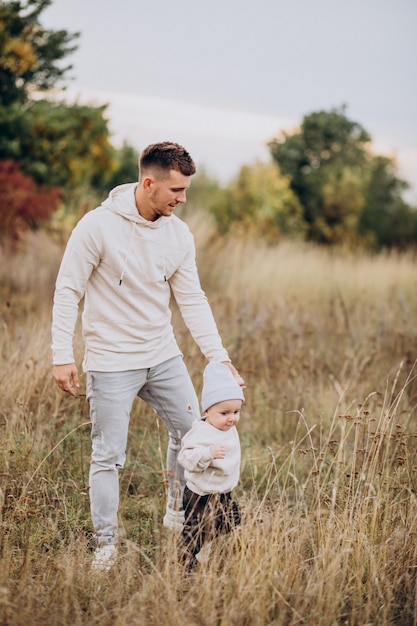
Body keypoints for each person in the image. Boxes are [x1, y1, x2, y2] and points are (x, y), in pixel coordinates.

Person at [51, 142, 244, 571]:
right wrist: (62, 354)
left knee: (193, 432)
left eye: (187, 190)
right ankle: (106, 544)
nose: (183, 199)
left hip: (162, 354)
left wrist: (219, 357)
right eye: (176, 189)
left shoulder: (178, 234)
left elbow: (192, 298)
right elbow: (68, 290)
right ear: (149, 182)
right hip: (110, 360)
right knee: (108, 455)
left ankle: (176, 512)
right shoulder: (96, 227)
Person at [178, 361, 244, 570]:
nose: (232, 419)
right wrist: (207, 454)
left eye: (236, 412)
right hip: (200, 495)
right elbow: (185, 458)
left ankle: (205, 541)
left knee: (232, 519)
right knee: (194, 532)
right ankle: (185, 562)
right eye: (224, 413)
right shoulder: (202, 432)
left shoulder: (227, 427)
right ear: (207, 410)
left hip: (222, 491)